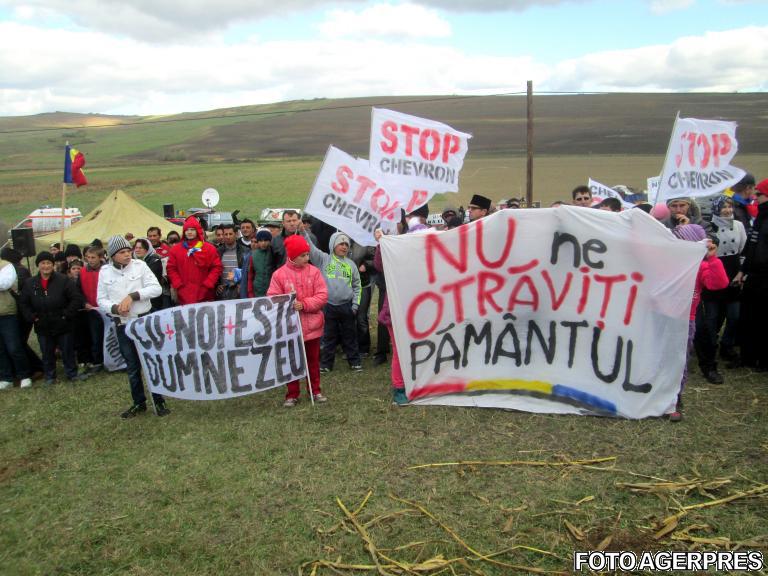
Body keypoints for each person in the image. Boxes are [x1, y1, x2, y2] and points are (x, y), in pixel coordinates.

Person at [98, 236, 168, 418]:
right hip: (122, 323)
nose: (127, 255)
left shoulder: (140, 266)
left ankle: (159, 400)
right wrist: (114, 308)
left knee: (150, 362)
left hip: (142, 320)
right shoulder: (104, 272)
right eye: (122, 252)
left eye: (128, 251)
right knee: (132, 365)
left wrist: (134, 296)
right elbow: (101, 299)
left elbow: (156, 288)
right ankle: (138, 402)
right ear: (113, 255)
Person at [668, 224, 728, 421]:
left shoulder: (701, 266)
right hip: (661, 318)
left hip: (686, 321)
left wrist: (712, 258)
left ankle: (673, 399)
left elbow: (718, 283)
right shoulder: (667, 262)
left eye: (683, 241)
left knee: (679, 360)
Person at [267, 235, 328, 406]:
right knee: (292, 363)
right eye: (302, 255)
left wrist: (305, 304)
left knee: (313, 361)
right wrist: (288, 304)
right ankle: (292, 393)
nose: (306, 258)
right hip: (290, 328)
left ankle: (315, 390)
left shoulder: (314, 272)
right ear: (292, 255)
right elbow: (272, 298)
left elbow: (322, 295)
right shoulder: (279, 275)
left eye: (307, 255)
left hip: (312, 327)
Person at [694, 195, 747, 378]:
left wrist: (741, 273)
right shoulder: (710, 228)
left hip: (732, 273)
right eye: (724, 207)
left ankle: (727, 345)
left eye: (730, 206)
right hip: (715, 271)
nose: (727, 210)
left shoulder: (738, 226)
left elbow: (743, 249)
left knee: (733, 315)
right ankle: (711, 346)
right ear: (716, 209)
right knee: (712, 317)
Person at [20, 251, 86, 384]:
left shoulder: (63, 280)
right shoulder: (30, 283)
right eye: (43, 263)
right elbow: (24, 303)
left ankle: (72, 374)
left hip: (62, 322)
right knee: (47, 352)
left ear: (53, 264)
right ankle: (50, 376)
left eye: (49, 263)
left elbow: (76, 298)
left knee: (67, 350)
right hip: (42, 323)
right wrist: (33, 317)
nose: (46, 266)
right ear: (38, 265)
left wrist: (66, 314)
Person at [305, 232, 363, 372]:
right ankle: (326, 364)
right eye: (340, 244)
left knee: (350, 335)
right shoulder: (323, 260)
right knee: (329, 337)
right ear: (333, 245)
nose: (344, 247)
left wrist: (355, 305)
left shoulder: (351, 265)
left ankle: (354, 362)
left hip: (347, 306)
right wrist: (303, 232)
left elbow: (357, 285)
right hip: (328, 306)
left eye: (346, 245)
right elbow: (311, 249)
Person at [733, 179, 768, 371]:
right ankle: (748, 356)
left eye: (760, 194)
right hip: (754, 277)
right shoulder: (761, 217)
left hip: (764, 278)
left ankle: (762, 360)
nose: (755, 197)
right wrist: (742, 270)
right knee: (749, 317)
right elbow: (752, 247)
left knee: (762, 320)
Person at [166, 216, 222, 305]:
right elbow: (171, 268)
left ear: (197, 230)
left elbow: (216, 267)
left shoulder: (209, 248)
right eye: (187, 230)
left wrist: (208, 284)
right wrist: (178, 285)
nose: (189, 232)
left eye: (192, 229)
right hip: (183, 294)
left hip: (205, 293)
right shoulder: (175, 250)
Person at [0, 255, 32, 389]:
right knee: (0, 349)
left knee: (14, 347)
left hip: (7, 313)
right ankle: (5, 377)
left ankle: (24, 375)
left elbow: (4, 284)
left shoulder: (6, 265)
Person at [79, 245, 105, 373]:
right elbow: (78, 290)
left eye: (93, 257)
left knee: (108, 335)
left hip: (106, 309)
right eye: (88, 257)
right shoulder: (83, 271)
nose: (90, 260)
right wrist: (84, 303)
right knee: (95, 336)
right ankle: (97, 361)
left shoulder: (106, 270)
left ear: (100, 258)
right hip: (91, 309)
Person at [240, 228, 275, 298]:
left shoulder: (274, 253)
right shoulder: (253, 255)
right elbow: (250, 276)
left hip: (272, 291)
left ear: (270, 241)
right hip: (257, 292)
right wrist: (250, 292)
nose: (263, 243)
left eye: (266, 240)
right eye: (260, 241)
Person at [216, 224, 248, 300]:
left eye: (230, 234)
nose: (228, 237)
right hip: (222, 292)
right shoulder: (218, 252)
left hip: (239, 291)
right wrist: (217, 285)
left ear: (236, 234)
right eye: (225, 234)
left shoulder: (245, 251)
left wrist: (242, 285)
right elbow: (214, 270)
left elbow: (247, 271)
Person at [133, 238, 166, 311]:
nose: (137, 250)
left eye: (140, 248)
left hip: (153, 301)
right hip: (139, 301)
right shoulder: (133, 261)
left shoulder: (155, 261)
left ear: (147, 249)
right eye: (136, 248)